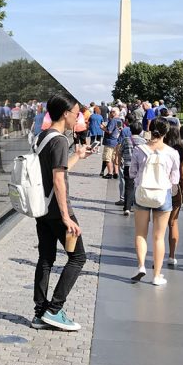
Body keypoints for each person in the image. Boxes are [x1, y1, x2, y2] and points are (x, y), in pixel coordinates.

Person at [31, 93, 88, 331]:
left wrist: (78, 156)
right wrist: (66, 217)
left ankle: (40, 312)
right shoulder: (60, 140)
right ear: (65, 114)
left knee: (46, 258)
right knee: (78, 257)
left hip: (42, 208)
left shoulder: (42, 137)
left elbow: (58, 171)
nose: (78, 118)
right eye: (76, 113)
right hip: (58, 211)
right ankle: (54, 309)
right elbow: (58, 180)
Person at [128, 118, 181, 285]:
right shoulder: (172, 153)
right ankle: (157, 275)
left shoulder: (139, 149)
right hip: (162, 194)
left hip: (142, 193)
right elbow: (175, 178)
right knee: (158, 237)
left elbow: (132, 173)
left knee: (140, 233)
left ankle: (141, 266)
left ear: (149, 129)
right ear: (166, 132)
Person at [163, 124, 183, 266]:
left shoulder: (161, 149)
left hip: (160, 187)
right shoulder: (181, 151)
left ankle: (158, 253)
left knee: (159, 224)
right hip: (174, 187)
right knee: (173, 223)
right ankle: (172, 255)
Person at [119, 122, 146, 216]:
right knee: (139, 186)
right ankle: (138, 205)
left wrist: (119, 162)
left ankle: (127, 208)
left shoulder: (126, 140)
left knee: (128, 186)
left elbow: (120, 151)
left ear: (130, 130)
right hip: (140, 166)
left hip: (128, 165)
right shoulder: (143, 141)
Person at [101, 107, 123, 178]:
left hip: (110, 141)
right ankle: (116, 173)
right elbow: (119, 130)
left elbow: (109, 131)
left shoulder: (113, 120)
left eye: (111, 112)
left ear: (114, 113)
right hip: (116, 141)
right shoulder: (120, 120)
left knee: (107, 157)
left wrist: (102, 128)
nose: (110, 113)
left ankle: (110, 173)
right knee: (114, 158)